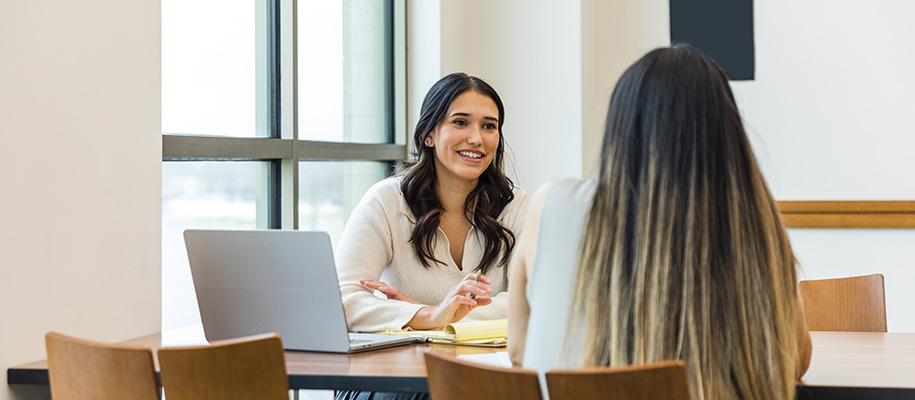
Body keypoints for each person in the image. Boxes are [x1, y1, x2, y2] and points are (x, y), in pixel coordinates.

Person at [508, 44, 812, 400]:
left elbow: (518, 350)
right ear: (727, 134)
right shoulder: (754, 225)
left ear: (621, 130)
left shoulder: (551, 205)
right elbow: (794, 360)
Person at [336, 72, 528, 334]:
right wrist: (428, 315)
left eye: (489, 126)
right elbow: (343, 299)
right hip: (405, 365)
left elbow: (532, 301)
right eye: (460, 122)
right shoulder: (386, 200)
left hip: (491, 367)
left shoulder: (516, 204)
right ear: (428, 134)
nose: (476, 139)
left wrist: (435, 316)